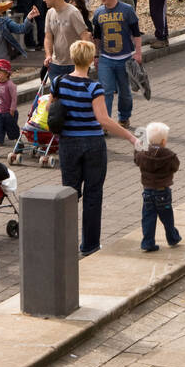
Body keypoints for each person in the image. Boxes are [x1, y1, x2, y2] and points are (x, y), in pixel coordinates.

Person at [54, 41, 138, 255]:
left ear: (73, 58)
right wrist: (130, 137)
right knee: (93, 195)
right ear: (91, 60)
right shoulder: (94, 87)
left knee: (69, 194)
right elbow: (103, 120)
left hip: (68, 143)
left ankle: (66, 244)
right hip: (93, 144)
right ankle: (90, 245)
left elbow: (50, 108)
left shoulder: (58, 82)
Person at [91, 0, 143, 125]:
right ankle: (105, 122)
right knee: (105, 91)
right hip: (106, 59)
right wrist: (96, 55)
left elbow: (137, 34)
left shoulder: (127, 10)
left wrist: (138, 53)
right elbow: (96, 36)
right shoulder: (98, 13)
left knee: (124, 92)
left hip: (125, 57)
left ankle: (124, 117)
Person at [134, 121, 182, 252]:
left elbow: (136, 159)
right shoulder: (169, 155)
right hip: (163, 191)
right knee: (167, 217)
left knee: (148, 217)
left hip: (148, 191)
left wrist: (139, 144)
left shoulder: (143, 154)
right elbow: (175, 166)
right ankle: (172, 237)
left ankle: (147, 242)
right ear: (163, 141)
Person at [43, 0, 90, 82]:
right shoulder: (50, 13)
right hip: (55, 65)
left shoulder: (73, 12)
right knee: (57, 96)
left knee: (73, 96)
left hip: (73, 65)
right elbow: (48, 37)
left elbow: (85, 36)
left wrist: (82, 61)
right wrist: (48, 55)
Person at [0, 59, 19, 152]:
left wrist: (12, 110)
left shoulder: (10, 85)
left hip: (9, 112)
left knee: (12, 129)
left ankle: (18, 143)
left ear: (6, 73)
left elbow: (14, 98)